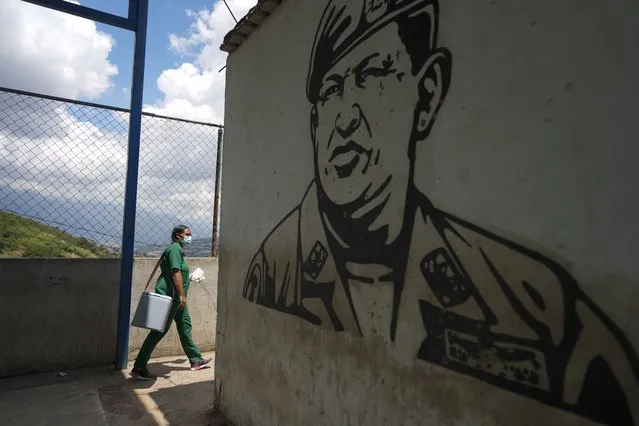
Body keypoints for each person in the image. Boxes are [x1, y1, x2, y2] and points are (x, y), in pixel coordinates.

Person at [242, 0, 639, 424]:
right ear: (314, 122)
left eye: (372, 75)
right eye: (332, 89)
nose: (345, 120)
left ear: (426, 94)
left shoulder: (535, 306)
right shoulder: (273, 273)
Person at [131, 225, 211, 380]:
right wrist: (181, 295)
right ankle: (139, 367)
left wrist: (189, 280)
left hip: (179, 298)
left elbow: (179, 272)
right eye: (187, 234)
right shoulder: (174, 249)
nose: (190, 237)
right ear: (178, 235)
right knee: (158, 332)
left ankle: (195, 359)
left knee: (184, 325)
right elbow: (175, 273)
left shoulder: (178, 250)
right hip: (173, 297)